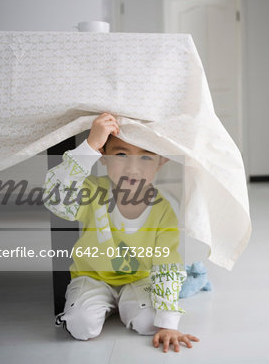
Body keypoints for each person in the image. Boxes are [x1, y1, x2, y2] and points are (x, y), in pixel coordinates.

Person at [43, 113, 199, 353]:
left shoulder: (163, 210)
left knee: (150, 323)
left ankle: (122, 304)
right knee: (81, 327)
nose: (133, 168)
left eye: (146, 156)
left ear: (161, 161)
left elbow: (166, 264)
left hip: (138, 279)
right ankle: (92, 306)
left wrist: (168, 324)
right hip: (93, 276)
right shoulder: (92, 191)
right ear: (103, 157)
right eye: (121, 154)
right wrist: (90, 147)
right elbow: (56, 199)